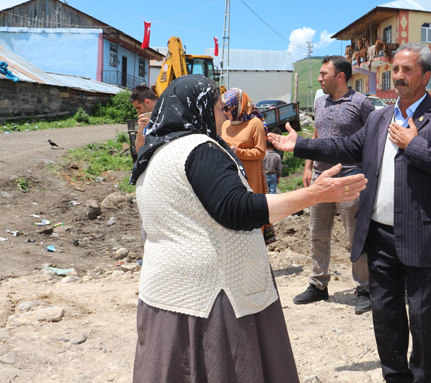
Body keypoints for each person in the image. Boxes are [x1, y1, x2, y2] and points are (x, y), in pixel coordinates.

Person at [130, 74, 367, 382]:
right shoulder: (199, 148)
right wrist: (312, 195)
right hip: (212, 299)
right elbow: (236, 209)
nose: (223, 116)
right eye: (217, 109)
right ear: (197, 108)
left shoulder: (155, 154)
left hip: (165, 296)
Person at [268, 42, 431, 383]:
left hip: (423, 236)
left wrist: (413, 144)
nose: (399, 76)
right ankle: (396, 377)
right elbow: (345, 147)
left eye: (407, 70)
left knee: (426, 320)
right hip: (379, 234)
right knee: (386, 316)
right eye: (395, 69)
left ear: (426, 76)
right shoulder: (379, 118)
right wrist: (301, 144)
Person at [293, 56, 375, 314]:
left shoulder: (361, 103)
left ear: (340, 76)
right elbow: (316, 135)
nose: (319, 78)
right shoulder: (320, 102)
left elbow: (373, 141)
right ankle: (319, 284)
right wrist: (308, 167)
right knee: (318, 234)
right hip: (321, 179)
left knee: (356, 238)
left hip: (350, 179)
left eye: (323, 73)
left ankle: (365, 288)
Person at [220, 88, 267, 195]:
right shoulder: (225, 124)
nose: (224, 112)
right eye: (222, 108)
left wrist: (239, 152)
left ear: (237, 106)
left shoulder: (255, 123)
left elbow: (261, 152)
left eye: (227, 108)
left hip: (250, 177)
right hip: (230, 175)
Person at [130, 85, 157, 153]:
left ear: (147, 102)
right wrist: (140, 131)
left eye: (138, 108)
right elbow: (139, 150)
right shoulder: (147, 121)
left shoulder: (169, 115)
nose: (138, 112)